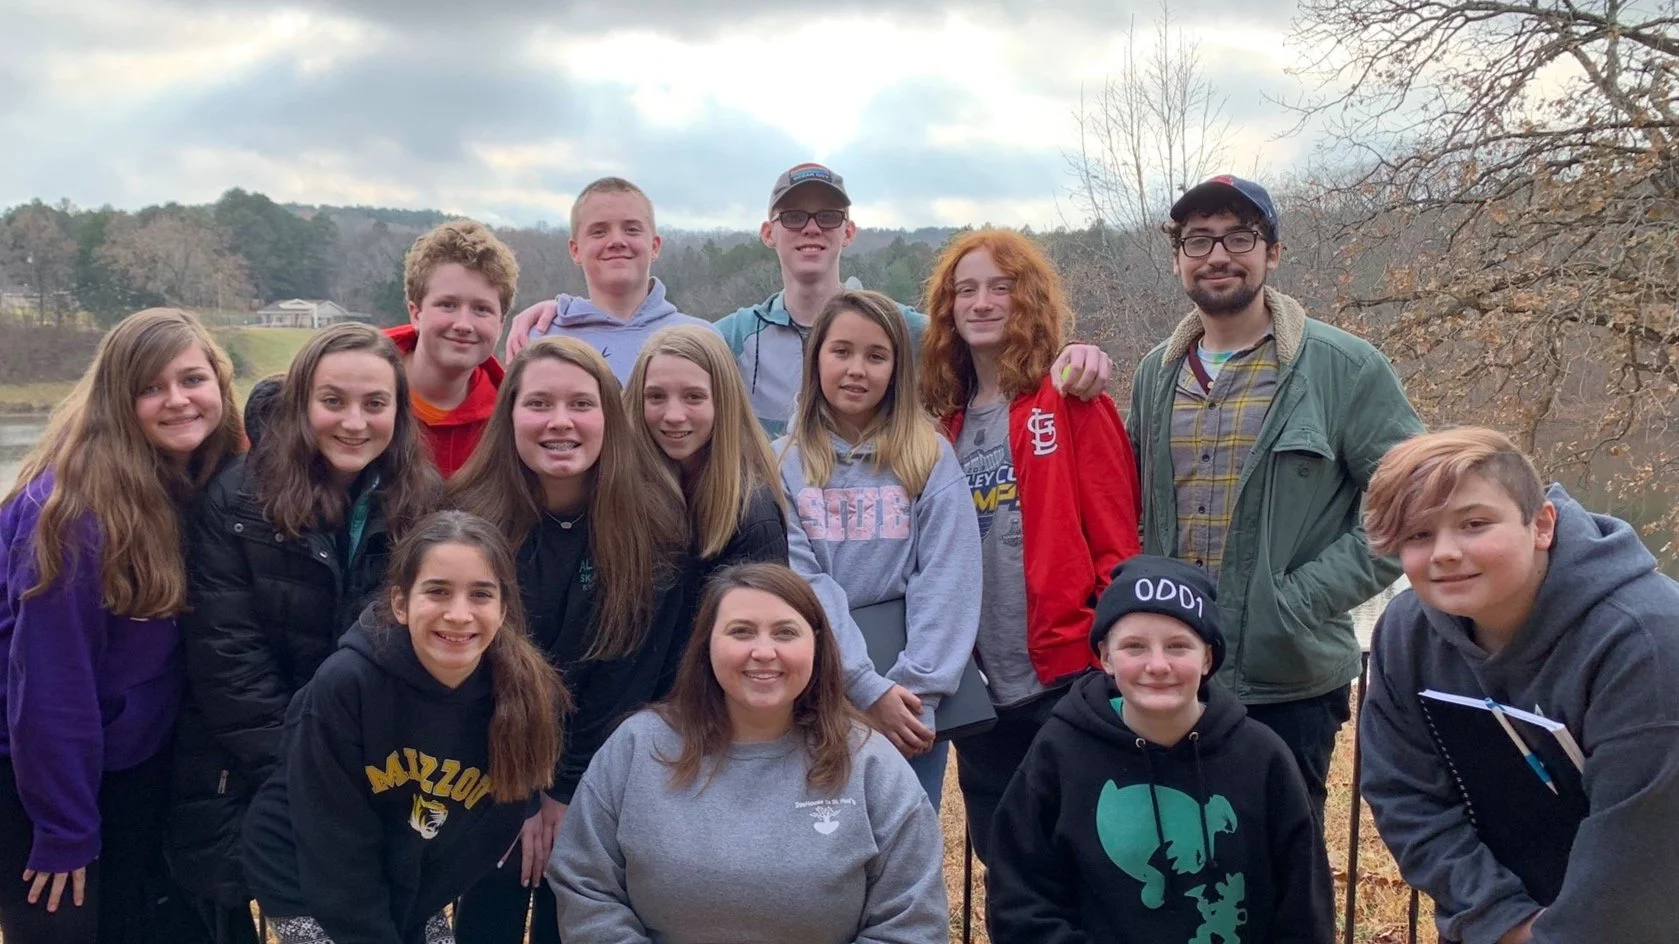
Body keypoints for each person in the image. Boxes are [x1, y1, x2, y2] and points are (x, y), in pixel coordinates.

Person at [1128, 174, 1423, 823]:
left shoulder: (1342, 367)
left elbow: (1418, 502)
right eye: (1198, 240)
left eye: (1239, 237)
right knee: (1173, 856)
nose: (1217, 255)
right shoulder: (1155, 374)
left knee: (1282, 862)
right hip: (1168, 677)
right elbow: (1130, 510)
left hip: (1286, 685)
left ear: (1272, 252)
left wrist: (1302, 597)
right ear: (1177, 258)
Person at [167, 323, 442, 940]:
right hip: (253, 774)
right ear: (301, 404)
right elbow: (229, 664)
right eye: (333, 401)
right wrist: (317, 779)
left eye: (375, 403)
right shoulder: (237, 498)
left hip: (379, 780)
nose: (354, 422)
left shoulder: (422, 501)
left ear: (399, 412)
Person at [506, 163, 1115, 435]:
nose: (811, 229)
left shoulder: (903, 328)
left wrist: (1071, 356)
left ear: (849, 233)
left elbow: (993, 345)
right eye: (794, 217)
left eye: (828, 217)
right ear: (768, 233)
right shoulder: (728, 336)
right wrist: (561, 311)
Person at [1359, 428, 1679, 944]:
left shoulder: (1648, 641)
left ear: (1542, 525)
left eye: (1474, 524)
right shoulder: (1406, 629)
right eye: (1418, 534)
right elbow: (1405, 795)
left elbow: (1643, 846)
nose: (1444, 553)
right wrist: (1500, 921)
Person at [0, 308, 243, 943]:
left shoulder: (196, 482)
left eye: (192, 379)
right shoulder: (73, 514)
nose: (177, 400)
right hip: (37, 777)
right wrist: (64, 831)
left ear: (220, 384)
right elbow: (50, 688)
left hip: (134, 763)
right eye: (150, 387)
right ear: (116, 401)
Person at [548, 561, 948, 943]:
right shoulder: (637, 746)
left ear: (817, 645)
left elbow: (911, 920)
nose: (764, 652)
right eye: (741, 632)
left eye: (785, 632)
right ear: (706, 645)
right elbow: (585, 883)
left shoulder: (871, 764)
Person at [448, 337, 690, 944]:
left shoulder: (653, 522)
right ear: (510, 416)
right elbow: (467, 673)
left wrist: (563, 792)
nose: (560, 421)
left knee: (576, 910)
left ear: (610, 417)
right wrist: (521, 796)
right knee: (492, 900)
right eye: (539, 404)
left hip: (601, 770)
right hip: (488, 768)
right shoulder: (466, 520)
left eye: (581, 404)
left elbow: (632, 674)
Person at [918, 227, 1143, 864]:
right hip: (982, 692)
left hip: (1068, 677)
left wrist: (1111, 651)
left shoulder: (1069, 399)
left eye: (1001, 287)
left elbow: (1117, 541)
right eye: (966, 290)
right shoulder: (943, 426)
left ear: (1028, 300)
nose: (982, 302)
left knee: (1089, 859)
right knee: (1005, 859)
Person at [241, 510, 567, 944]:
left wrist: (413, 912)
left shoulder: (523, 695)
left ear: (503, 608)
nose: (459, 614)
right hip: (305, 878)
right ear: (400, 603)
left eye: (480, 595)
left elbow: (485, 836)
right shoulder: (347, 684)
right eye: (438, 591)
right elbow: (335, 846)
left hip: (406, 880)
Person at [988, 555, 1333, 944]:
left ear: (1207, 657)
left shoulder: (1263, 758)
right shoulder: (1059, 753)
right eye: (1134, 646)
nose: (1157, 665)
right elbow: (1020, 900)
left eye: (1178, 646)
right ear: (1105, 656)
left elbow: (1304, 910)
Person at [778, 288, 982, 809]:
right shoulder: (782, 463)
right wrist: (862, 687)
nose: (856, 370)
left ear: (896, 368)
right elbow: (804, 583)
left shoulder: (927, 455)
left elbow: (948, 576)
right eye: (841, 351)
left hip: (910, 705)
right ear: (816, 359)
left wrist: (913, 692)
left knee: (904, 839)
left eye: (876, 355)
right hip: (816, 693)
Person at [624, 324, 788, 616]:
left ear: (723, 402)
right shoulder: (614, 489)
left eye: (694, 397)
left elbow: (756, 628)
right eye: (656, 397)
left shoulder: (754, 516)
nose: (674, 415)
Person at [523, 177, 717, 382]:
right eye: (599, 232)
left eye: (632, 229)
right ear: (575, 250)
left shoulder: (703, 339)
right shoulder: (538, 340)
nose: (616, 241)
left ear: (655, 246)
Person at [389, 219, 520, 476]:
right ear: (416, 314)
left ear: (501, 324)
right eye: (447, 305)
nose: (463, 324)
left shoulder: (510, 419)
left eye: (481, 309)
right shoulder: (352, 389)